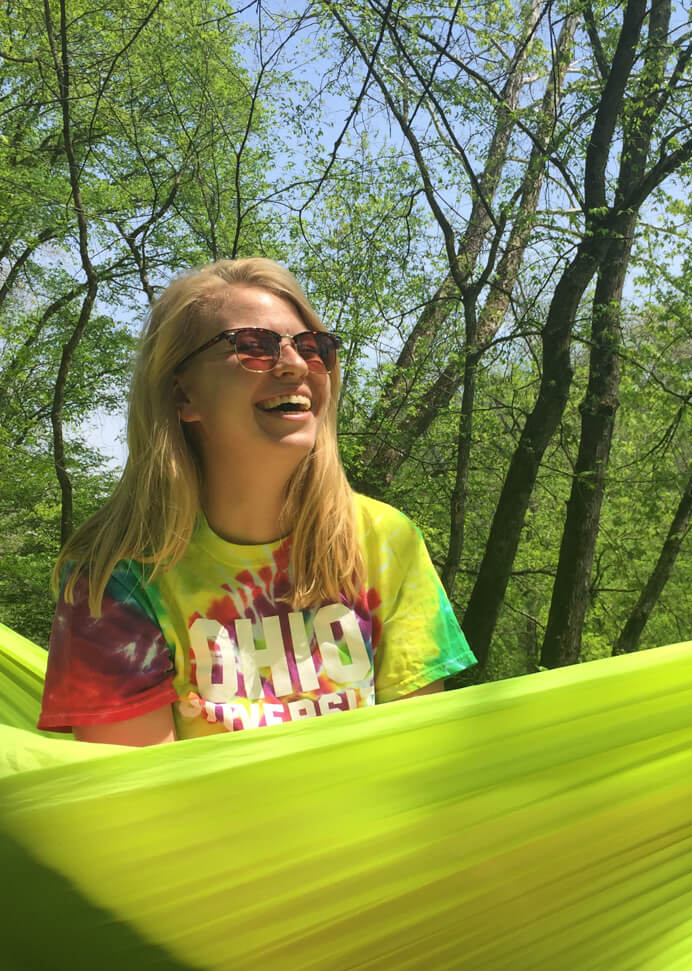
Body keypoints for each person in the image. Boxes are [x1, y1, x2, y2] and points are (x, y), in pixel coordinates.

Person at [39, 258, 476, 745]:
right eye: (252, 347)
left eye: (312, 348)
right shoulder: (113, 577)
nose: (293, 365)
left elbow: (416, 754)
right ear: (183, 395)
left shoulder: (385, 542)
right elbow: (137, 800)